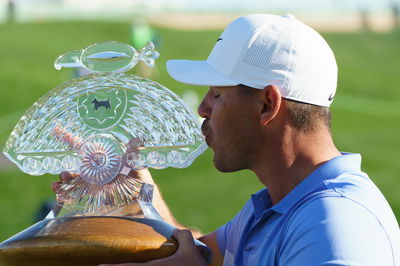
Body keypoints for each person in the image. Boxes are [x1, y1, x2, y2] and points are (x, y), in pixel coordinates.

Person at [58, 14, 400, 265]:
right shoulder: (275, 206)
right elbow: (199, 254)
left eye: (217, 95)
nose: (204, 108)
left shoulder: (335, 227)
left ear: (267, 104)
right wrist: (136, 194)